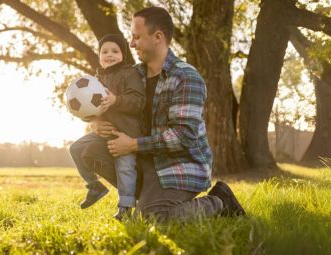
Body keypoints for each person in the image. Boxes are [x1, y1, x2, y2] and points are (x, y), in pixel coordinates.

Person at [101, 7, 245, 221]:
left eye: (136, 37)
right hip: (148, 160)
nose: (131, 44)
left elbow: (183, 137)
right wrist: (97, 122)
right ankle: (149, 196)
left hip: (181, 166)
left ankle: (220, 201)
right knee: (89, 149)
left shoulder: (186, 77)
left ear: (158, 37)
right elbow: (112, 106)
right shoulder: (133, 76)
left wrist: (133, 145)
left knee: (152, 218)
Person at [68, 34, 145, 220]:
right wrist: (93, 122)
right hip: (105, 130)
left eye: (115, 51)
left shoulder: (129, 73)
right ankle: (94, 186)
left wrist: (116, 100)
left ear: (123, 54)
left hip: (124, 132)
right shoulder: (96, 79)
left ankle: (125, 209)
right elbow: (89, 109)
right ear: (99, 55)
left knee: (124, 167)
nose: (109, 55)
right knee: (75, 148)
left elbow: (138, 101)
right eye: (104, 51)